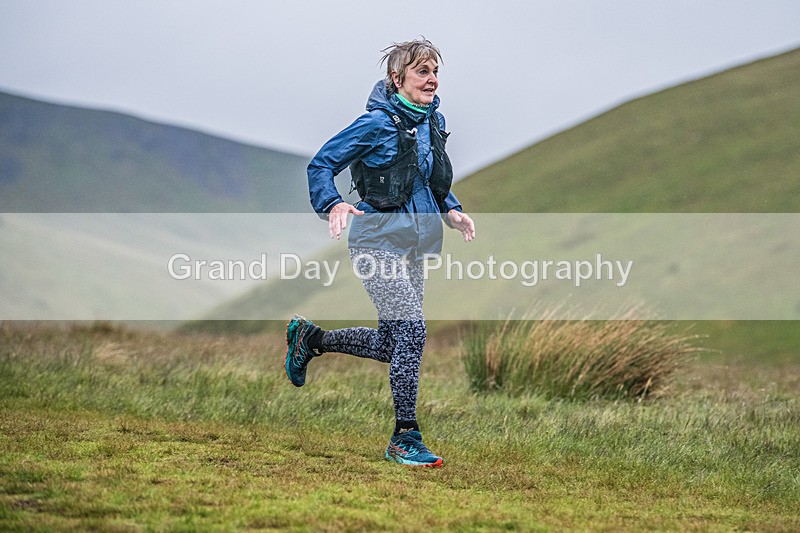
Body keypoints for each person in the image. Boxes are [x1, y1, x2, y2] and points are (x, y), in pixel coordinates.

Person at [285, 38, 475, 468]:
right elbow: (320, 164)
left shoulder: (432, 120)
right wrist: (332, 203)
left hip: (415, 245)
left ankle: (310, 339)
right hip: (375, 242)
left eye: (435, 71)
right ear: (397, 78)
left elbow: (425, 179)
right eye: (422, 71)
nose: (432, 79)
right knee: (413, 332)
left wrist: (452, 210)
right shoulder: (374, 124)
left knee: (394, 344)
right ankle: (404, 437)